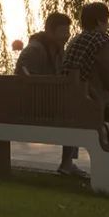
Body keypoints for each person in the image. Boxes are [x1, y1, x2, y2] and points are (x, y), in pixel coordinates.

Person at [13, 12, 85, 178]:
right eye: (62, 32)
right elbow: (23, 78)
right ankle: (67, 163)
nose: (66, 36)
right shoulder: (34, 50)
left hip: (47, 102)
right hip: (31, 105)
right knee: (73, 112)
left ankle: (67, 163)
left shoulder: (59, 50)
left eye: (68, 32)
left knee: (78, 108)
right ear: (50, 32)